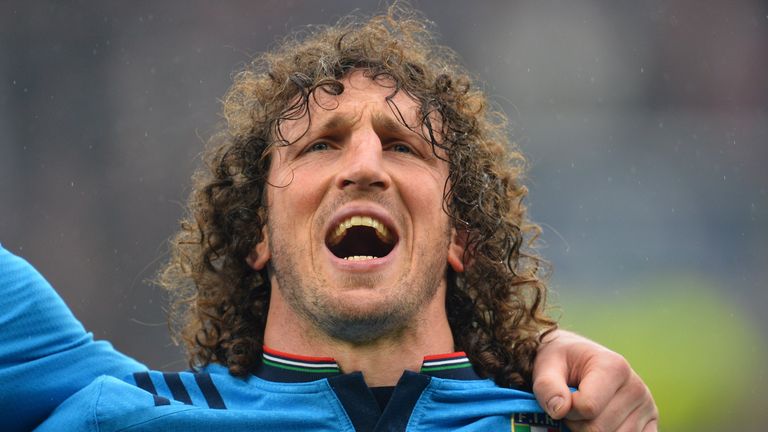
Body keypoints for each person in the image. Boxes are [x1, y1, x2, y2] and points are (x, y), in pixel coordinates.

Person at [0, 5, 657, 431]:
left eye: (404, 146)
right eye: (321, 144)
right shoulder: (117, 410)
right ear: (257, 231)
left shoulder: (565, 424)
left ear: (461, 236)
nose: (366, 166)